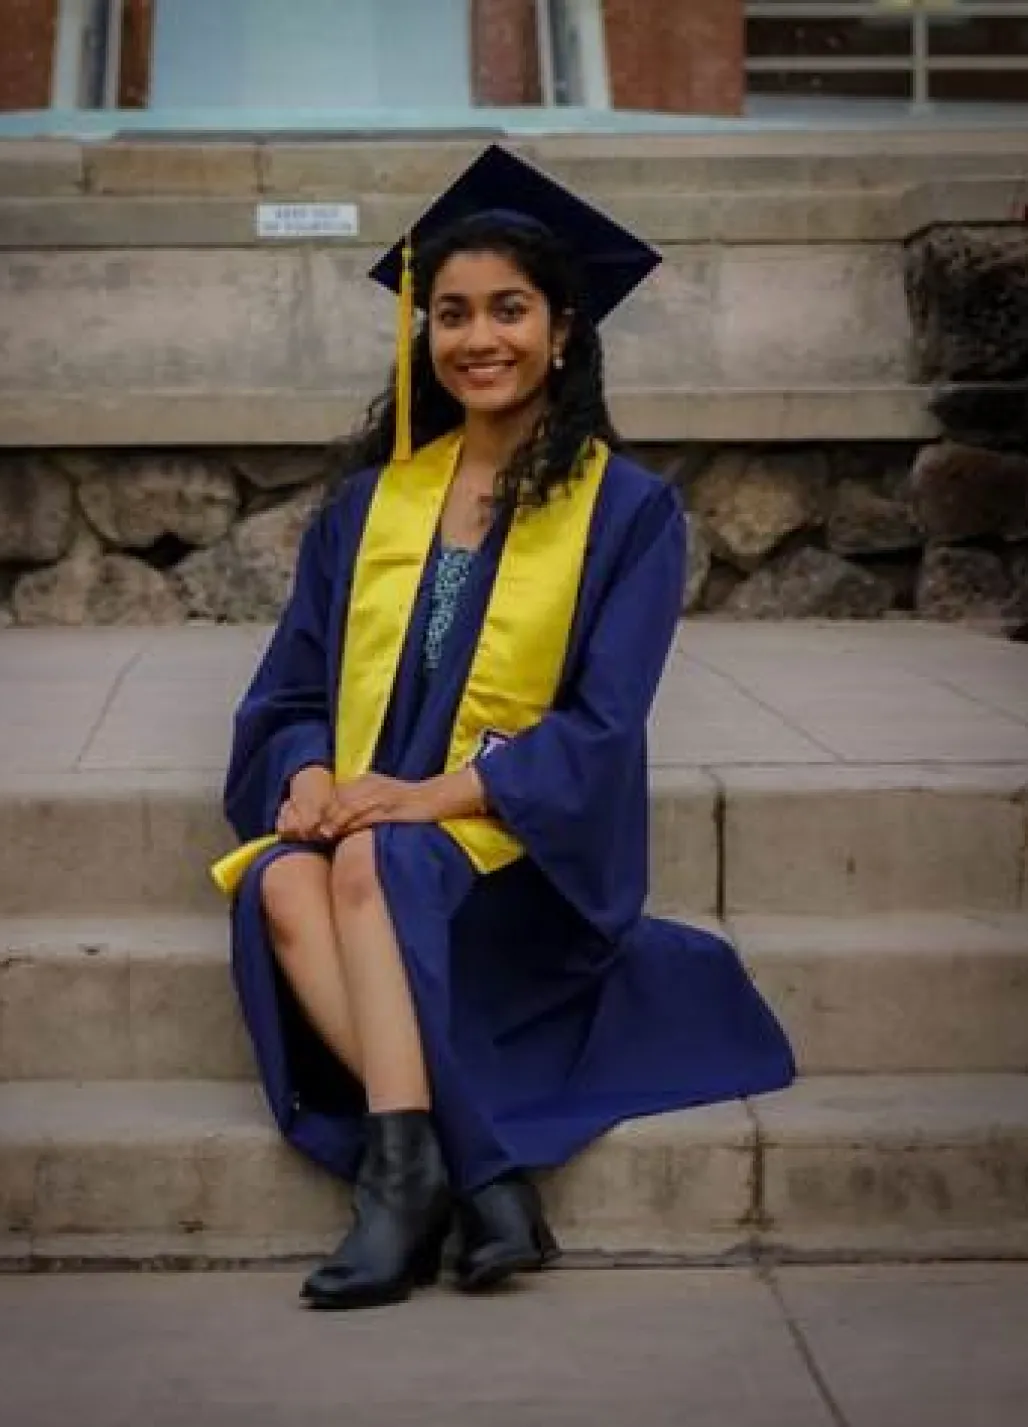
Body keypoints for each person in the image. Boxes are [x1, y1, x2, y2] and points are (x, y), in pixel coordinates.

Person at [214, 145, 795, 1312]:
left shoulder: (629, 510)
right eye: (452, 313)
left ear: (565, 329)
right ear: (423, 334)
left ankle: (402, 1190)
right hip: (381, 833)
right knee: (281, 883)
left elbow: (603, 723)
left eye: (510, 310)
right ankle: (462, 1170)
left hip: (522, 852)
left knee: (371, 853)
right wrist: (311, 769)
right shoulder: (369, 504)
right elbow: (288, 692)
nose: (479, 338)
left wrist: (421, 798)